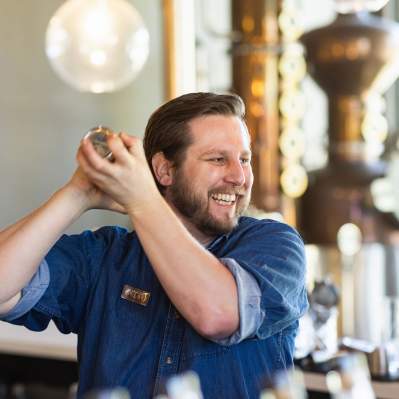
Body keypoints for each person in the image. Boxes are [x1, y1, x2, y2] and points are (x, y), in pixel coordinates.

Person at [0, 92, 308, 398]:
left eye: (244, 159)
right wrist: (77, 193)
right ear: (164, 170)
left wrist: (142, 199)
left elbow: (218, 314)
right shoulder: (105, 256)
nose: (239, 176)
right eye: (218, 159)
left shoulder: (276, 245)